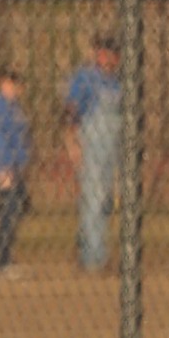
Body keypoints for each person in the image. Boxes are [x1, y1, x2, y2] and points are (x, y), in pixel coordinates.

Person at [65, 37, 120, 271]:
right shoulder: (85, 77)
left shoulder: (118, 82)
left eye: (113, 53)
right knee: (94, 201)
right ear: (97, 54)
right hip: (91, 146)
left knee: (104, 202)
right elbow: (71, 112)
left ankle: (88, 246)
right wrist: (72, 144)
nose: (109, 58)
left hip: (112, 149)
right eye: (105, 52)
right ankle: (94, 258)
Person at [0, 67, 31, 275]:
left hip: (15, 165)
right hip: (5, 166)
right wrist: (4, 166)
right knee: (8, 211)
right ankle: (1, 261)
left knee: (14, 209)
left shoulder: (13, 107)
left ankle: (4, 255)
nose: (14, 89)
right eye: (9, 84)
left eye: (16, 84)